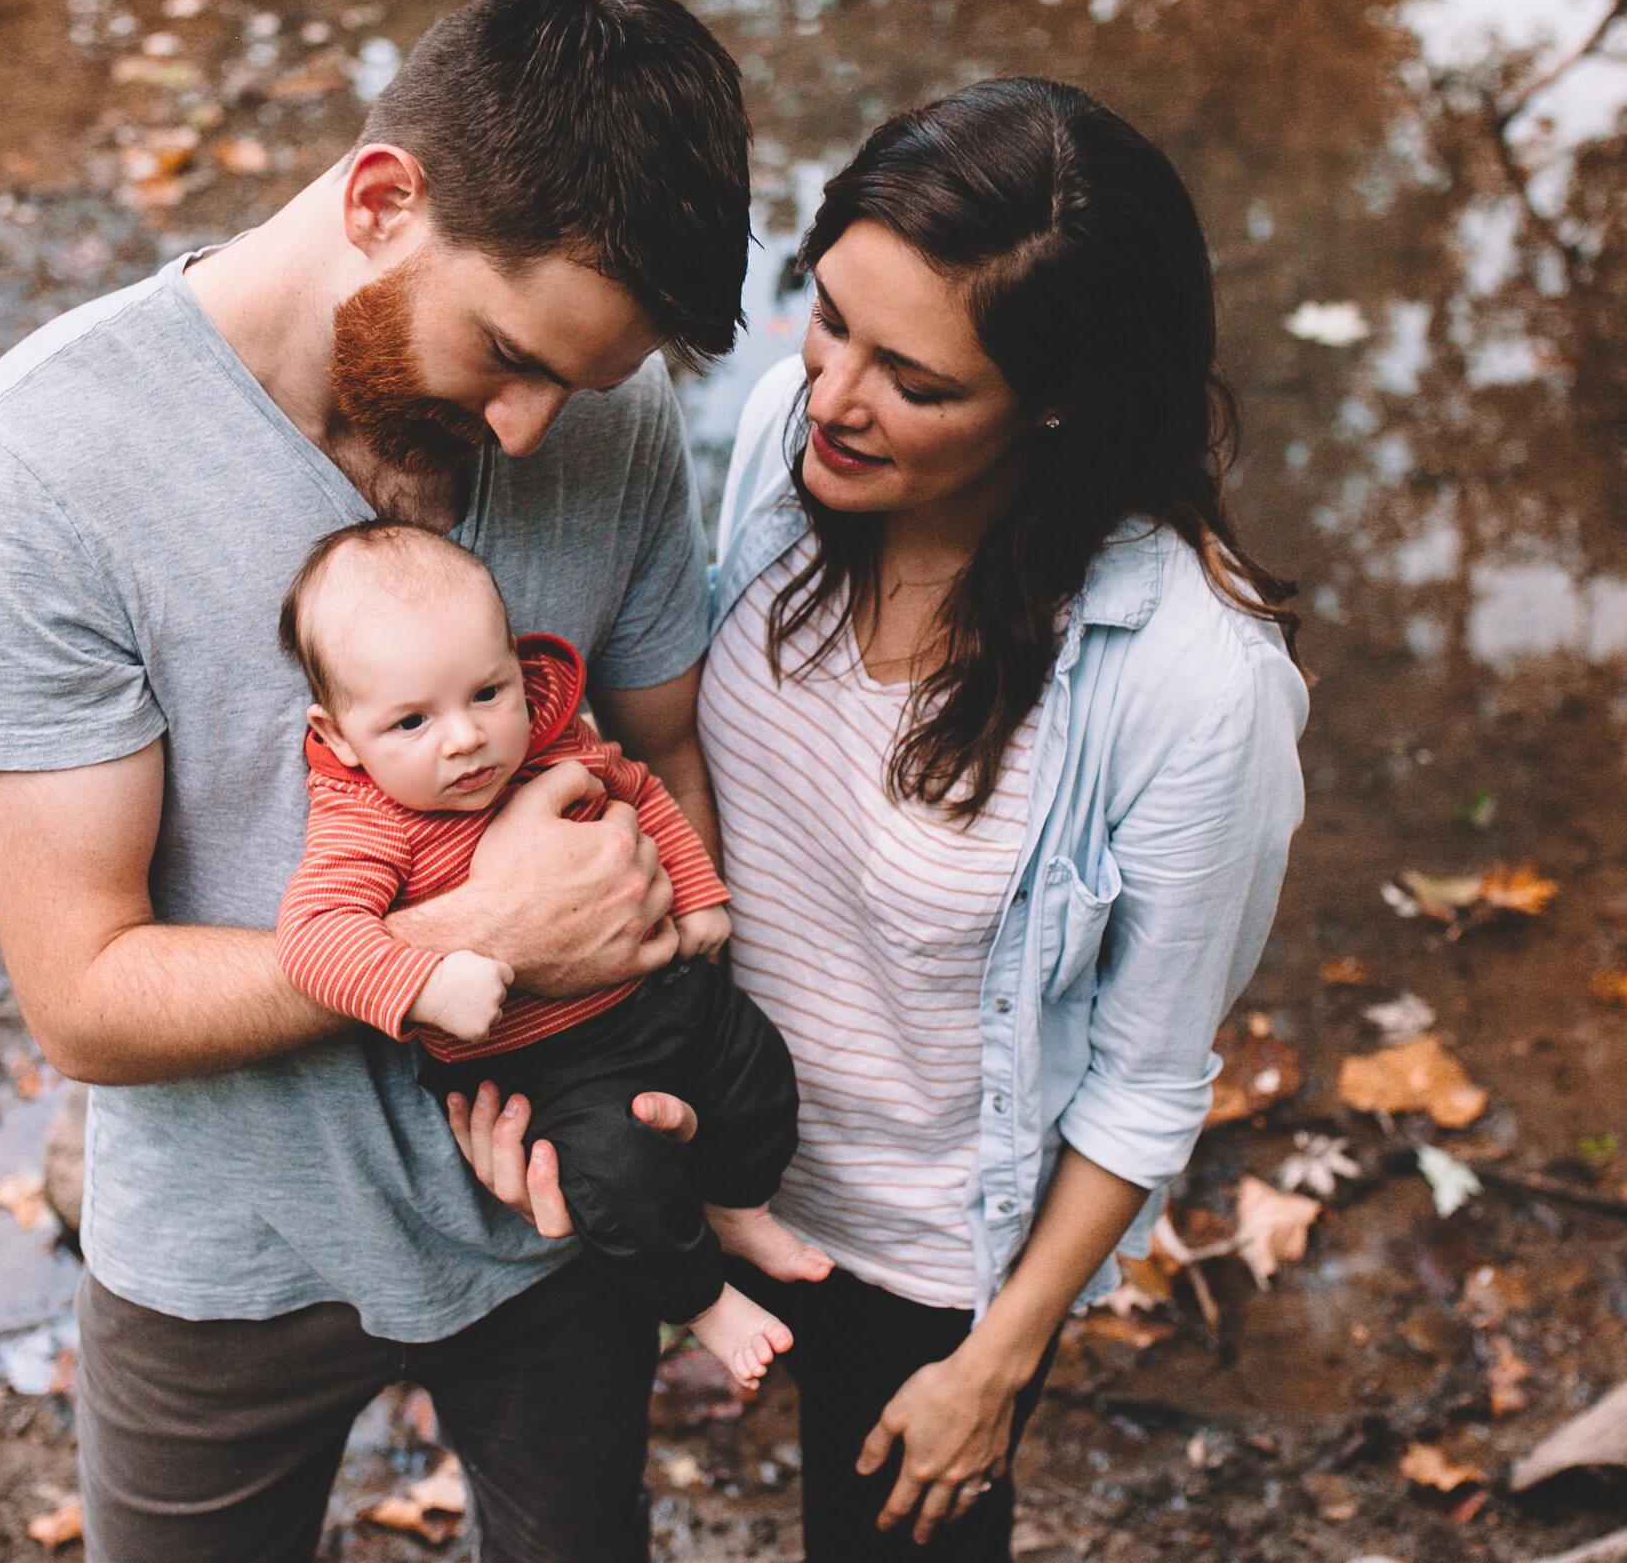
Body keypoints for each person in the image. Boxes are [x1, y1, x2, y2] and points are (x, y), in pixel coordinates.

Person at [0, 0, 751, 1563]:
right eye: (505, 352)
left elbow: (665, 753)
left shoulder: (599, 423)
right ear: (381, 199)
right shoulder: (44, 466)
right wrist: (474, 941)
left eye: (580, 379)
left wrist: (659, 1076)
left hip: (558, 1212)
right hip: (223, 1252)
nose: (528, 431)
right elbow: (82, 991)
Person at [460, 77, 1309, 1560]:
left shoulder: (1194, 682)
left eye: (916, 381)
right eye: (829, 313)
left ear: (1056, 399)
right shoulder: (795, 456)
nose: (833, 393)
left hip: (920, 1257)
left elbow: (1147, 1082)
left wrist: (994, 1365)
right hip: (695, 1143)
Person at [272, 521, 826, 1386]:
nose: (464, 739)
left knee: (758, 1063)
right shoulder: (367, 822)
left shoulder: (548, 740)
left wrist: (697, 886)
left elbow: (635, 786)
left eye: (487, 692)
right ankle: (702, 1301)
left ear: (516, 666)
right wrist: (427, 978)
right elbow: (313, 939)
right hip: (546, 1065)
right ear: (339, 735)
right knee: (615, 1174)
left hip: (656, 992)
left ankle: (739, 1201)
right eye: (412, 720)